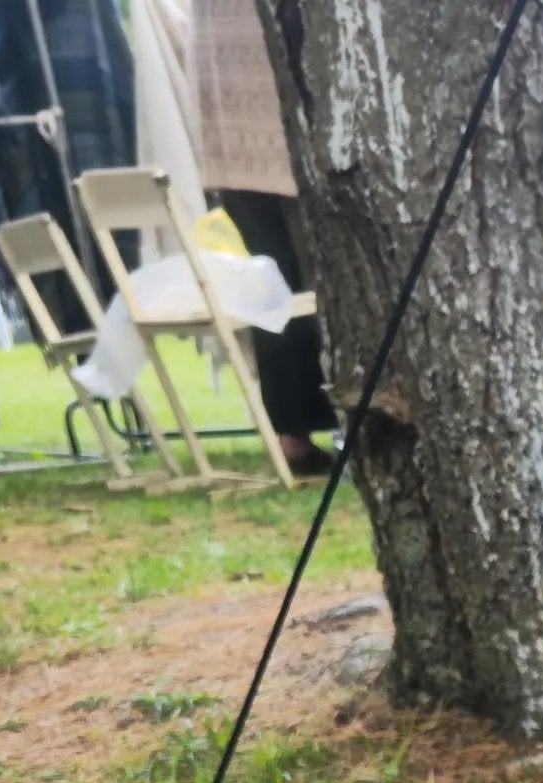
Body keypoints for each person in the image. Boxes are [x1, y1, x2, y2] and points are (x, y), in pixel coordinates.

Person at [191, 0, 332, 474]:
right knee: (310, 286)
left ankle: (293, 434)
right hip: (282, 131)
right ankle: (315, 425)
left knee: (272, 288)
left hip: (233, 136)